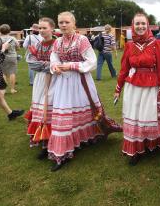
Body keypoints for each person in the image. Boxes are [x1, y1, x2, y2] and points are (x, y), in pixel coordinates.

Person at [48, 11, 120, 171]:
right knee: (63, 115)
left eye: (67, 22)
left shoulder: (82, 40)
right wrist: (55, 66)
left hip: (80, 81)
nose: (64, 25)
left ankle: (87, 137)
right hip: (63, 83)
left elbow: (92, 62)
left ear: (74, 23)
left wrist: (71, 66)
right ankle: (62, 152)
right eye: (61, 23)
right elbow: (53, 58)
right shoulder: (57, 42)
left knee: (85, 111)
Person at [114, 13, 160, 165]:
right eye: (137, 24)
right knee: (135, 117)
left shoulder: (156, 43)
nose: (140, 27)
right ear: (133, 26)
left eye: (143, 23)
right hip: (133, 87)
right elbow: (124, 69)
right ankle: (136, 149)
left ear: (148, 25)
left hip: (151, 87)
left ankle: (152, 144)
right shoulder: (130, 45)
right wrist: (118, 88)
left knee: (149, 116)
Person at [24, 17, 57, 159]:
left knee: (51, 107)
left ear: (52, 29)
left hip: (56, 80)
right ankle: (44, 140)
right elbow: (31, 62)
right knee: (40, 107)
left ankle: (53, 141)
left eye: (45, 28)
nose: (42, 31)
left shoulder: (57, 43)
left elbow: (58, 62)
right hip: (40, 80)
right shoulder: (38, 44)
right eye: (40, 28)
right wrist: (47, 65)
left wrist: (45, 64)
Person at [0, 24, 20, 94]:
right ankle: (12, 89)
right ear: (9, 31)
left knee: (3, 73)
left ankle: (4, 89)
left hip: (1, 57)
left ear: (0, 31)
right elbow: (18, 47)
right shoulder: (13, 38)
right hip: (12, 57)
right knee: (12, 73)